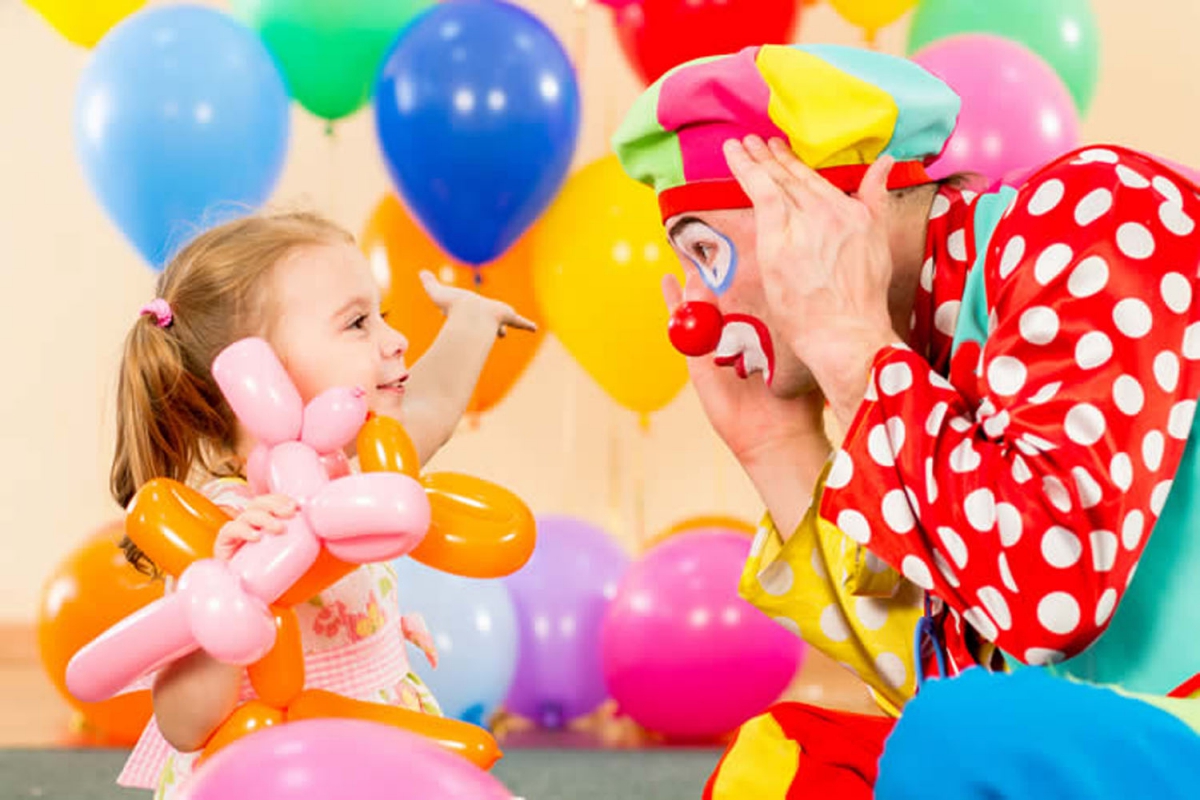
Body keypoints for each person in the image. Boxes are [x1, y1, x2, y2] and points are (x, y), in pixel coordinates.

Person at [613, 43, 1200, 797]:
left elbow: (1047, 601)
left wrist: (854, 350)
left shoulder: (1097, 213)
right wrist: (774, 443)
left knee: (955, 736)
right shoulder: (917, 357)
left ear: (837, 208)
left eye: (706, 251)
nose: (695, 314)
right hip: (1108, 743)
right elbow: (931, 669)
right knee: (788, 763)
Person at [108, 211, 535, 797]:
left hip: (377, 745)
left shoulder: (355, 469)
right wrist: (232, 594)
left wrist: (471, 321)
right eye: (358, 323)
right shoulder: (221, 529)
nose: (395, 339)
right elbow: (184, 725)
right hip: (276, 773)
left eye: (384, 314)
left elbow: (432, 408)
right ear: (255, 372)